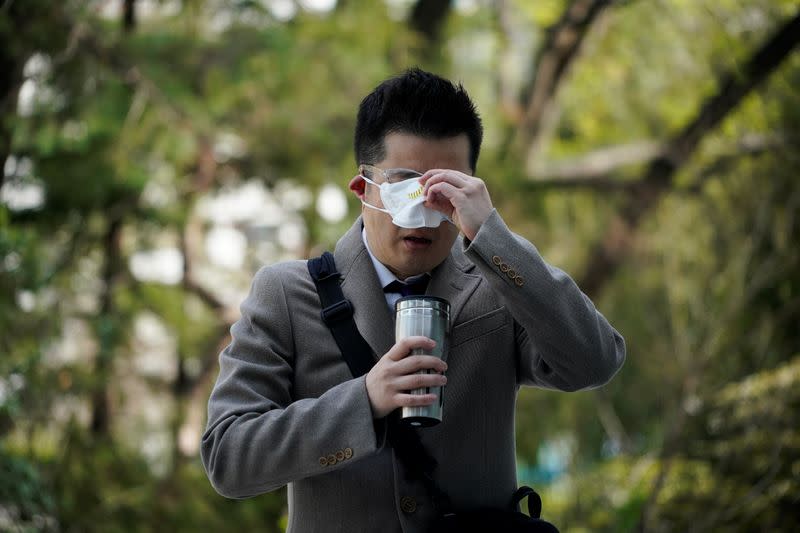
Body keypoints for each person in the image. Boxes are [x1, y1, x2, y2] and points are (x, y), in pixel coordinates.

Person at [201, 68, 625, 533]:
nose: (424, 214)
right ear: (363, 189)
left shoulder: (499, 288)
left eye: (443, 190)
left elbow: (595, 362)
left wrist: (493, 237)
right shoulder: (285, 293)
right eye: (406, 187)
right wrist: (363, 401)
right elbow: (228, 456)